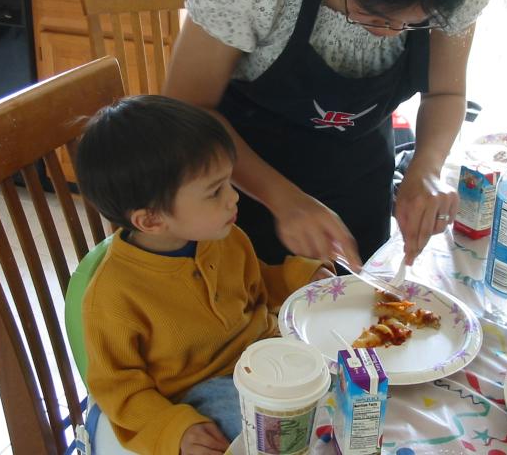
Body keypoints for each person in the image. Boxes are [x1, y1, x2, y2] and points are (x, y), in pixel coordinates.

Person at [163, 0, 493, 270]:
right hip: (234, 186)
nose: (390, 34)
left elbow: (445, 92)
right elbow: (187, 111)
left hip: (360, 174)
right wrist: (283, 199)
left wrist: (426, 168)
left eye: (415, 23)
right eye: (372, 14)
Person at [75, 95, 329, 454]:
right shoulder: (112, 296)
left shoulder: (223, 237)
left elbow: (255, 281)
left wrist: (301, 278)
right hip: (203, 390)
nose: (233, 198)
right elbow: (118, 388)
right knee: (274, 440)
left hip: (267, 353)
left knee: (343, 388)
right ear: (151, 220)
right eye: (215, 191)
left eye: (228, 183)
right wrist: (173, 428)